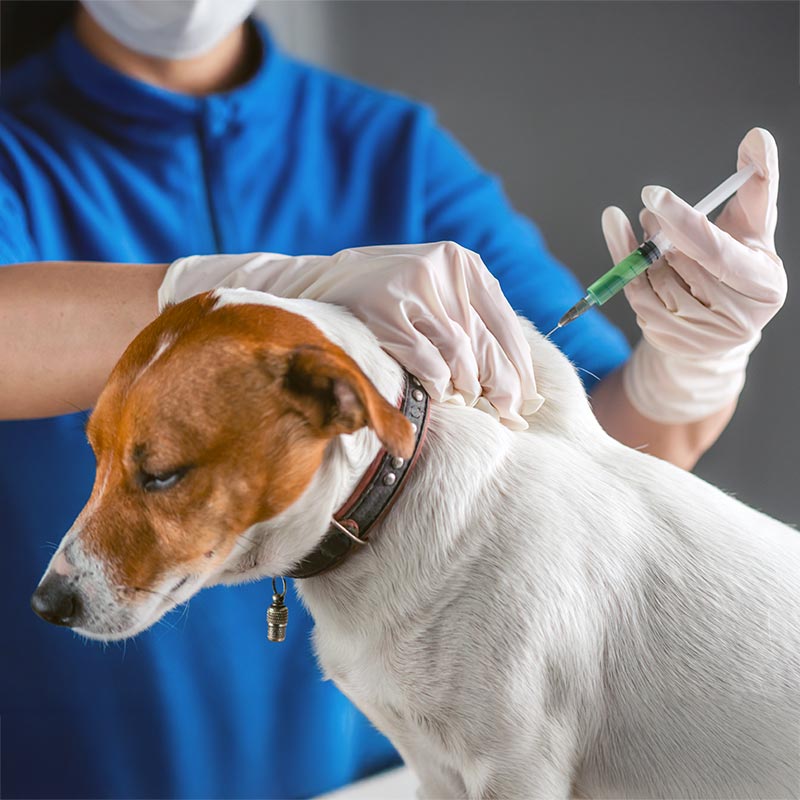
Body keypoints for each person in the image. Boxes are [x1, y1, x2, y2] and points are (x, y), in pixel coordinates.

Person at [0, 2, 785, 798]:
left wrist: (691, 362)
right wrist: (243, 291)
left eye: (159, 471)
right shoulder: (14, 147)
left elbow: (597, 462)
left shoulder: (391, 149)